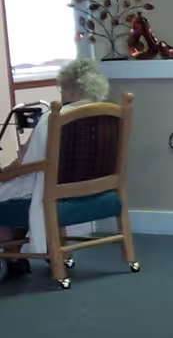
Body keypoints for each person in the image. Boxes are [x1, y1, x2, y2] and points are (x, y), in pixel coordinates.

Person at [0, 58, 111, 278]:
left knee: (9, 190)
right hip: (94, 189)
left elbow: (27, 165)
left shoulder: (53, 118)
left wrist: (6, 172)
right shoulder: (108, 114)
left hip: (51, 191)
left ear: (70, 89)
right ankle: (16, 254)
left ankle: (11, 254)